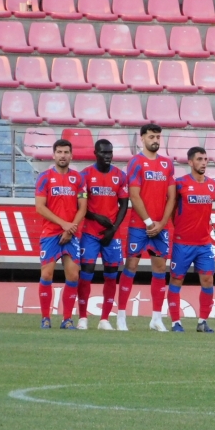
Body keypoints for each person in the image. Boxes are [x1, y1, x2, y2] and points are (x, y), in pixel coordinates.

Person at [118, 123, 176, 332]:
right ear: (142, 138)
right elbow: (134, 195)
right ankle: (122, 315)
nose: (156, 140)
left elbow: (172, 196)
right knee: (131, 266)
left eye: (158, 137)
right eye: (152, 136)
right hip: (139, 225)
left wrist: (161, 223)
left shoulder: (167, 164)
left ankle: (156, 318)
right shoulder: (136, 162)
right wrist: (150, 222)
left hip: (161, 227)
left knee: (160, 269)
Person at [76, 139, 129, 331]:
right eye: (103, 153)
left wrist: (113, 229)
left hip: (112, 235)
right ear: (95, 153)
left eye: (110, 153)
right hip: (90, 233)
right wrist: (96, 216)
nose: (107, 156)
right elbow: (80, 205)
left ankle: (104, 319)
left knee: (111, 276)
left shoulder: (120, 176)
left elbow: (124, 204)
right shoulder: (85, 175)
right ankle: (82, 317)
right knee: (86, 274)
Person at [34, 139, 87, 330]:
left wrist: (70, 228)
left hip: (72, 233)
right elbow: (40, 207)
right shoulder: (45, 178)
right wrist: (63, 224)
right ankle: (45, 318)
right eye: (59, 152)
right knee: (46, 274)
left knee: (73, 276)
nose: (63, 155)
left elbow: (83, 207)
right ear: (53, 155)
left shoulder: (78, 179)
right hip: (50, 233)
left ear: (71, 155)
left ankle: (67, 319)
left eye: (66, 152)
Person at [167, 147, 215, 333]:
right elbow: (171, 209)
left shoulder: (212, 185)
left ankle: (202, 321)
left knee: (208, 280)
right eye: (199, 159)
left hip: (204, 243)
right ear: (190, 162)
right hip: (182, 243)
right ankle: (175, 322)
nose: (204, 162)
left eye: (205, 159)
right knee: (176, 280)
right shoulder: (180, 184)